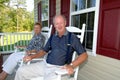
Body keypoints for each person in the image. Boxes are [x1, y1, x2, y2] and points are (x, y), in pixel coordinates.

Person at [14, 15, 88, 80]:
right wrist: (32, 57)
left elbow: (84, 55)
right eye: (57, 23)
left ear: (65, 23)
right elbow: (43, 51)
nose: (59, 26)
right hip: (45, 64)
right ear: (54, 25)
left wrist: (71, 65)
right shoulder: (53, 37)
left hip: (59, 69)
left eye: (61, 23)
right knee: (21, 71)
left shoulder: (72, 38)